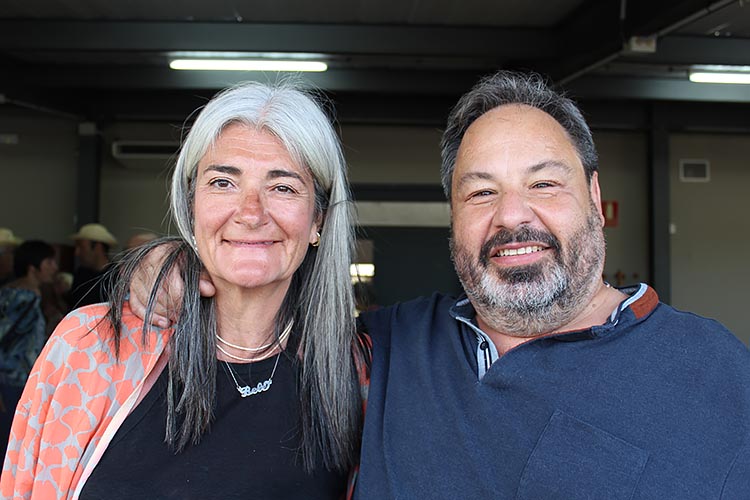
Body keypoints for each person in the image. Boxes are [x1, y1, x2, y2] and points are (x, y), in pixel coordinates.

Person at [121, 71, 750, 498]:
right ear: (453, 217)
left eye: (543, 183)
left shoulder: (716, 373)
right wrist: (176, 262)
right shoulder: (390, 349)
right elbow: (259, 306)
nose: (512, 215)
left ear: (593, 195)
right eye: (481, 192)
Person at [0, 82, 367, 498]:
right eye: (223, 183)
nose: (251, 213)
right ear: (192, 207)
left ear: (318, 219)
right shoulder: (92, 346)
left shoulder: (353, 371)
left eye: (282, 187)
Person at [0, 240, 57, 455]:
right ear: (33, 266)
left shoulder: (27, 293)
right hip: (11, 382)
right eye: (49, 261)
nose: (54, 267)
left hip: (19, 382)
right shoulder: (22, 297)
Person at [69, 222, 117, 308]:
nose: (77, 253)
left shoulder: (116, 276)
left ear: (98, 247)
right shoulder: (81, 273)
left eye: (82, 247)